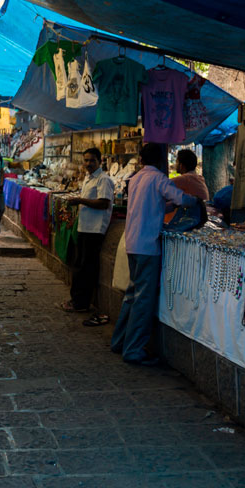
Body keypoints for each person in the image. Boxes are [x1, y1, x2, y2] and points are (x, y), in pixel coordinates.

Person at [111, 143, 199, 365]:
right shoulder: (159, 179)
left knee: (132, 295)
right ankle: (133, 350)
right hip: (148, 246)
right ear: (160, 160)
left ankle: (119, 341)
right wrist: (194, 201)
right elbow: (181, 198)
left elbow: (152, 205)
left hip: (132, 243)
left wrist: (171, 206)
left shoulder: (136, 179)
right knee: (143, 300)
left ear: (141, 160)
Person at [59, 148, 114, 324]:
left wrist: (80, 201)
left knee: (87, 268)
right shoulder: (88, 178)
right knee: (80, 265)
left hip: (95, 229)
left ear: (99, 161)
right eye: (86, 160)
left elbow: (104, 203)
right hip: (85, 227)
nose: (88, 164)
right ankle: (76, 300)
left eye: (92, 161)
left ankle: (81, 303)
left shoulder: (104, 179)